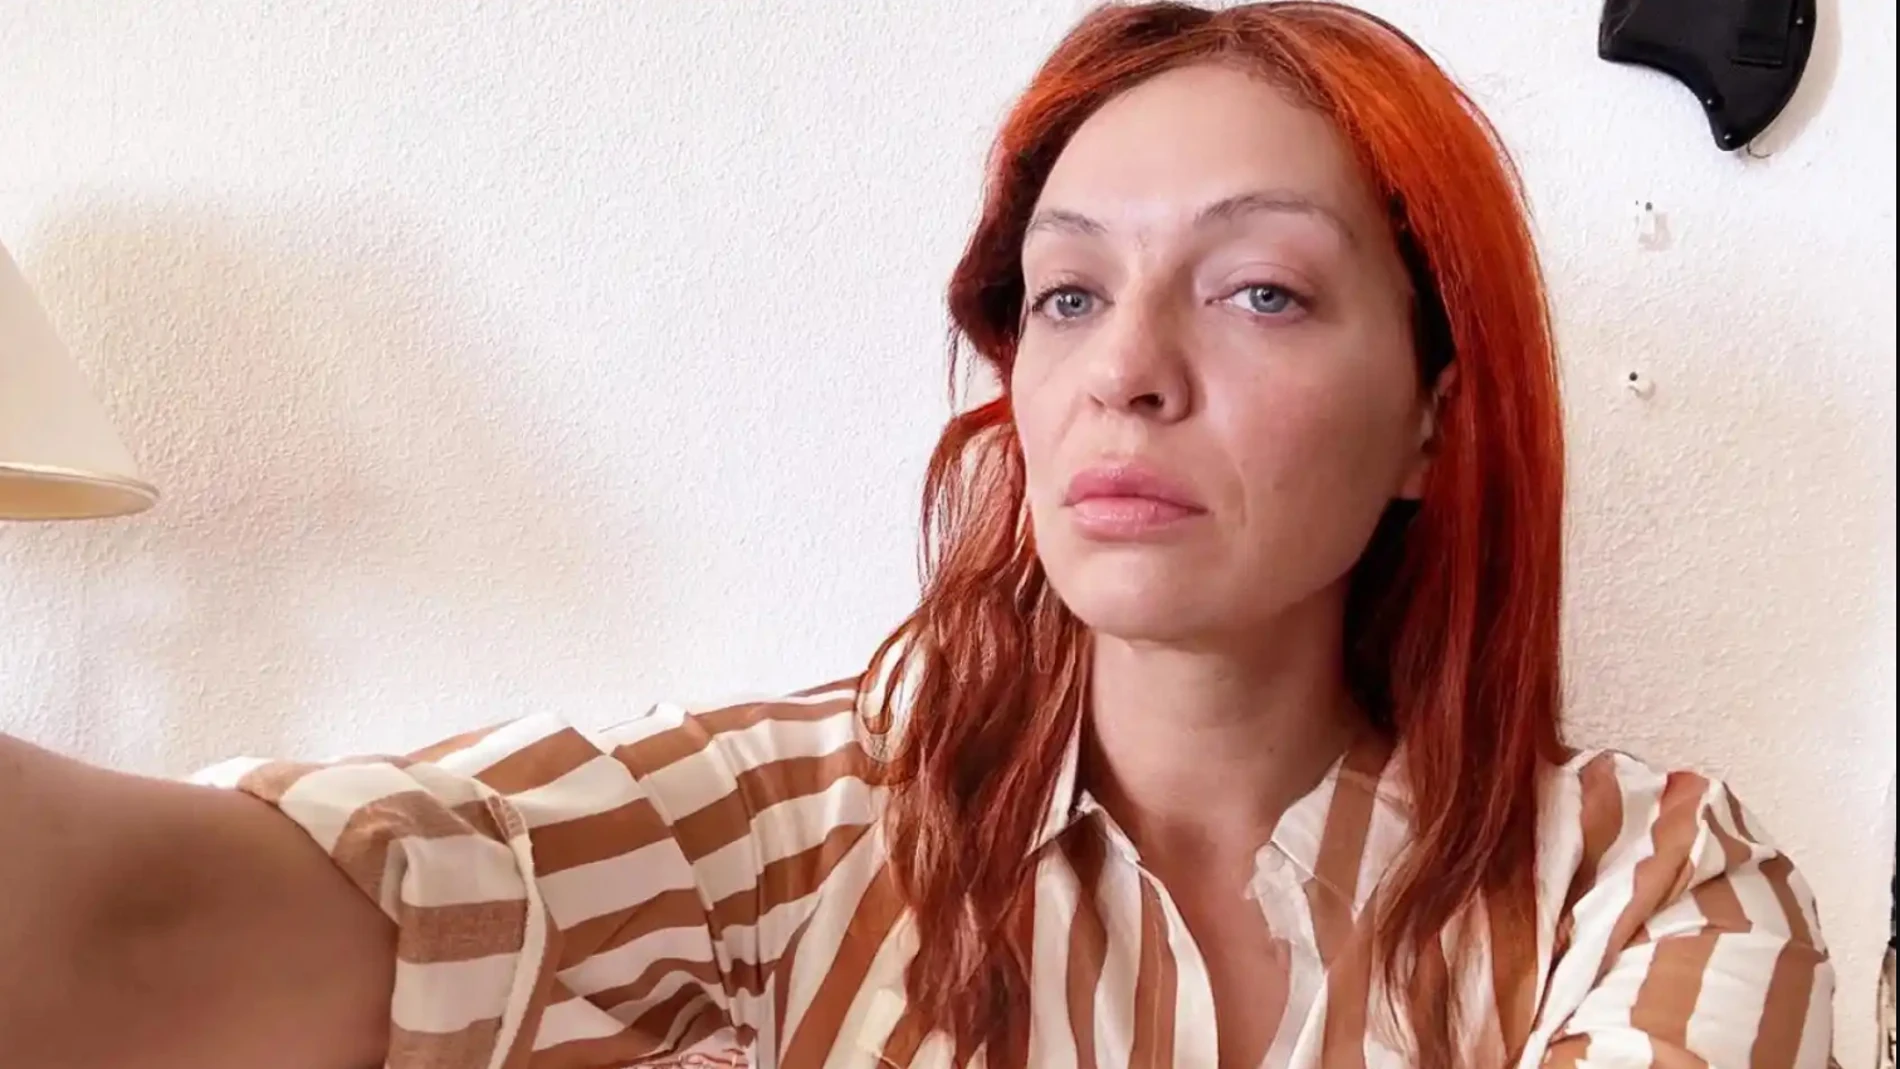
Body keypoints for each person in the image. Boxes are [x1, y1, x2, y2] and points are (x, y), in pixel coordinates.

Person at [0, 3, 1836, 1068]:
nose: (1126, 372)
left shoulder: (1646, 884)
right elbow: (170, 915)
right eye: (1065, 295)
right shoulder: (785, 837)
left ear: (1436, 413)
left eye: (1261, 291)